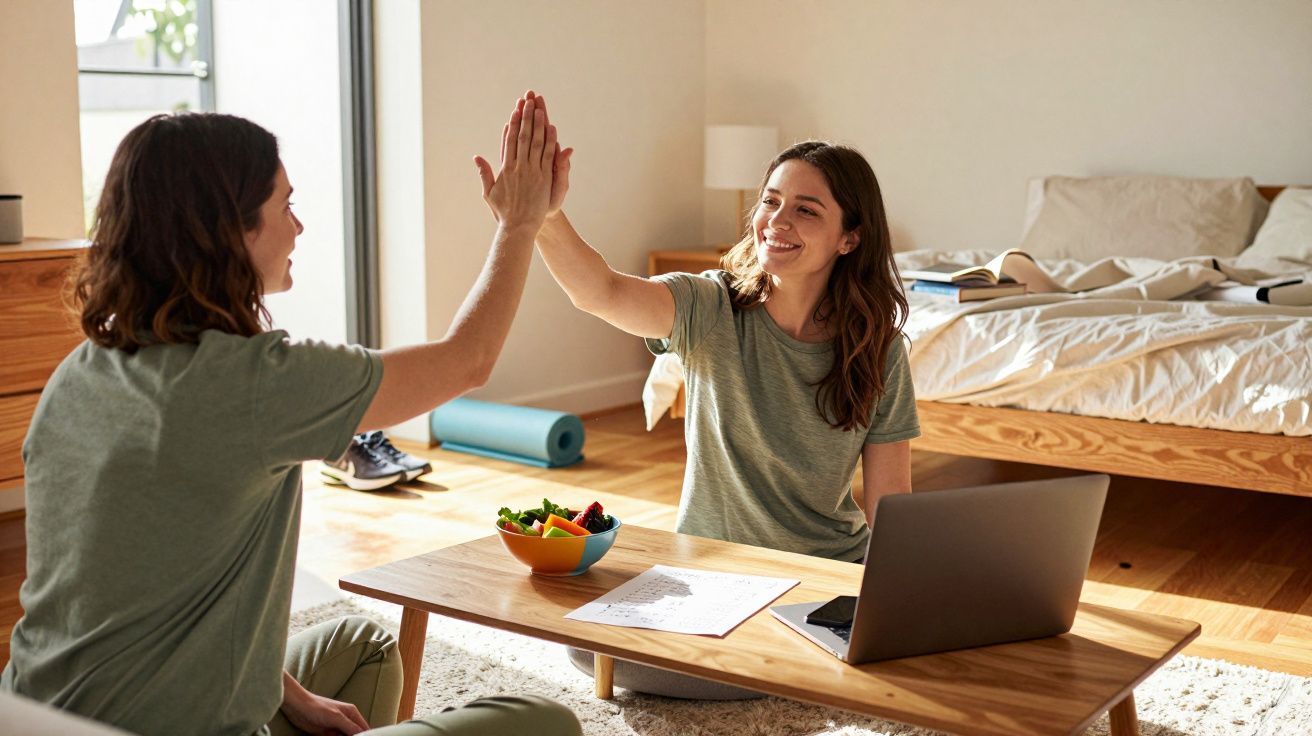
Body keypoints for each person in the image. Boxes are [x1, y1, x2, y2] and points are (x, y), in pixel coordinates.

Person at [1, 95, 581, 736]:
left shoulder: (79, 374)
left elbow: (135, 589)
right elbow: (467, 360)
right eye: (286, 207)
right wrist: (520, 222)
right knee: (544, 722)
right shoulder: (252, 384)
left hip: (34, 716)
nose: (298, 228)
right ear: (230, 233)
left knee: (361, 644)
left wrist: (285, 694)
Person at [514, 118, 920, 696]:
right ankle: (790, 669)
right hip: (713, 575)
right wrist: (545, 215)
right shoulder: (711, 306)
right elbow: (599, 292)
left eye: (806, 210)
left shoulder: (876, 347)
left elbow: (890, 498)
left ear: (849, 238)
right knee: (594, 650)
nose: (776, 222)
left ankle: (795, 663)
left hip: (826, 576)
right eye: (771, 201)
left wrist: (900, 598)